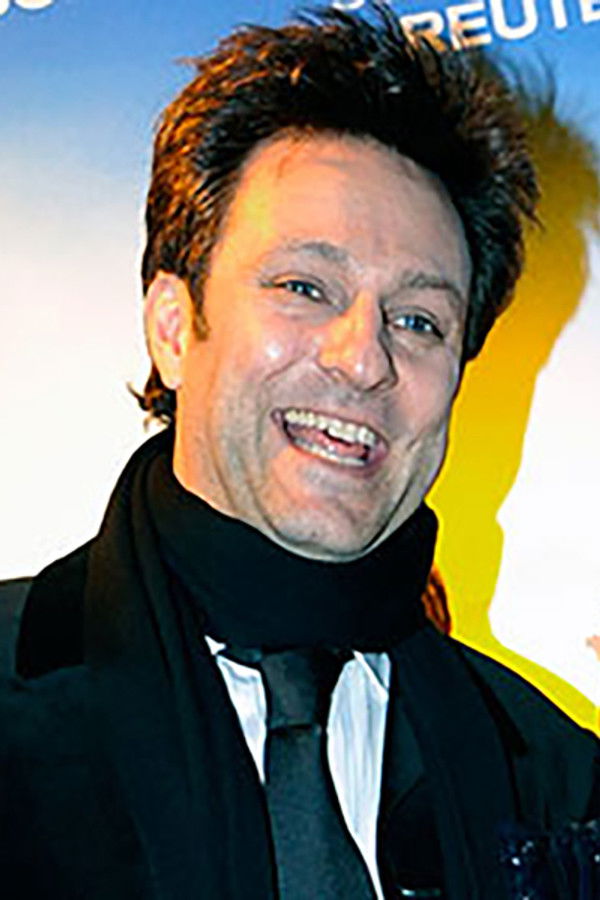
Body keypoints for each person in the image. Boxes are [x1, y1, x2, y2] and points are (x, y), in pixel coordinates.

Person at [1, 6, 598, 899]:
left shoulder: (556, 784)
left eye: (418, 321)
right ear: (174, 327)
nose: (363, 359)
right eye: (304, 287)